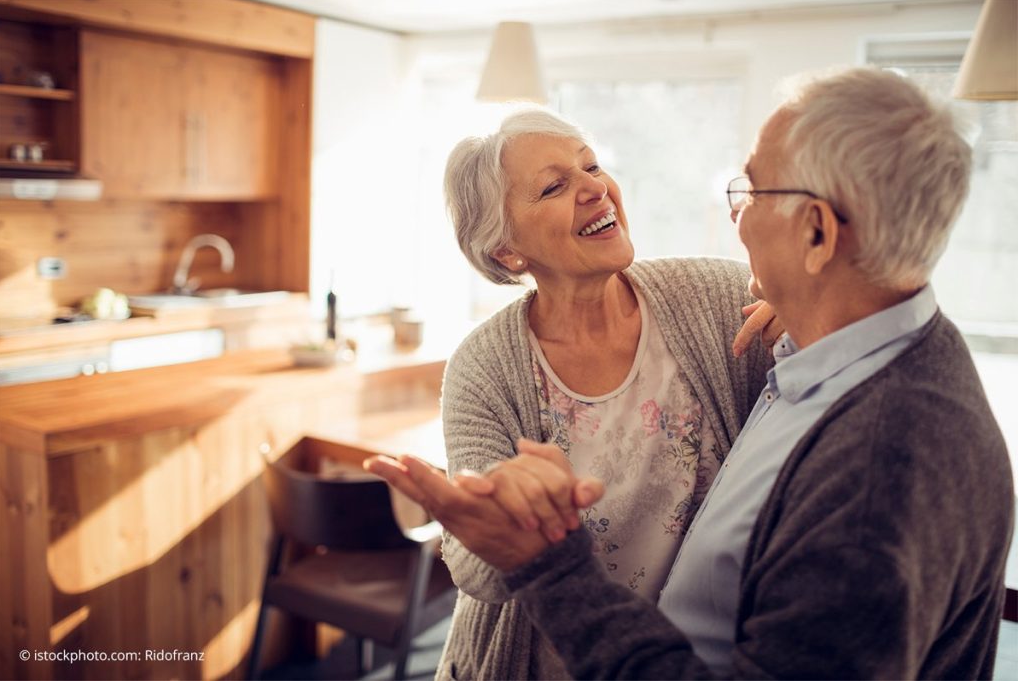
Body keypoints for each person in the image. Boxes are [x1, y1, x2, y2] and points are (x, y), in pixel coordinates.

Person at [367, 67, 1014, 679]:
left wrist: (548, 559)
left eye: (754, 189)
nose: (735, 212)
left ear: (816, 235)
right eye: (555, 184)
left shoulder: (872, 452)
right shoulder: (831, 359)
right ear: (506, 249)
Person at [425, 108, 778, 679]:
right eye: (554, 186)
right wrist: (503, 519)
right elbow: (474, 570)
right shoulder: (484, 366)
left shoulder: (714, 296)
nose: (594, 187)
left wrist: (808, 316)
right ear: (508, 251)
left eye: (590, 166)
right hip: (549, 659)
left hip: (693, 662)